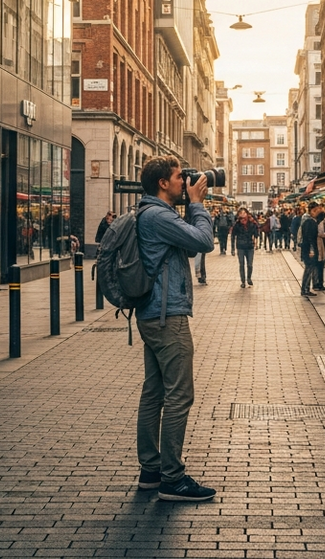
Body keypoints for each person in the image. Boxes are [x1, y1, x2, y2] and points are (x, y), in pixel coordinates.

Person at [134, 155, 216, 501]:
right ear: (163, 183)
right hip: (167, 318)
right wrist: (197, 205)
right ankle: (172, 477)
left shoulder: (151, 213)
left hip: (153, 313)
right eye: (181, 177)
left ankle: (151, 471)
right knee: (180, 394)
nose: (187, 181)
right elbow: (203, 241)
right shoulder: (158, 215)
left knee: (154, 393)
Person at [299, 203, 324, 297]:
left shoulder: (309, 221)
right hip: (309, 249)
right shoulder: (309, 222)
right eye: (317, 210)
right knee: (308, 269)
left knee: (309, 269)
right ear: (313, 210)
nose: (319, 212)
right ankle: (305, 289)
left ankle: (306, 288)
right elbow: (309, 237)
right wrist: (311, 250)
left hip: (308, 249)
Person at [231, 208, 259, 287]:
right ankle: (243, 281)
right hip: (240, 246)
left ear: (247, 213)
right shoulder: (237, 224)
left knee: (250, 264)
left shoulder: (252, 223)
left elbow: (256, 233)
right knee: (241, 264)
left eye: (244, 213)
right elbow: (233, 236)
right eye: (241, 213)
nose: (242, 214)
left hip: (250, 246)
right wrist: (232, 249)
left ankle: (249, 278)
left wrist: (256, 243)